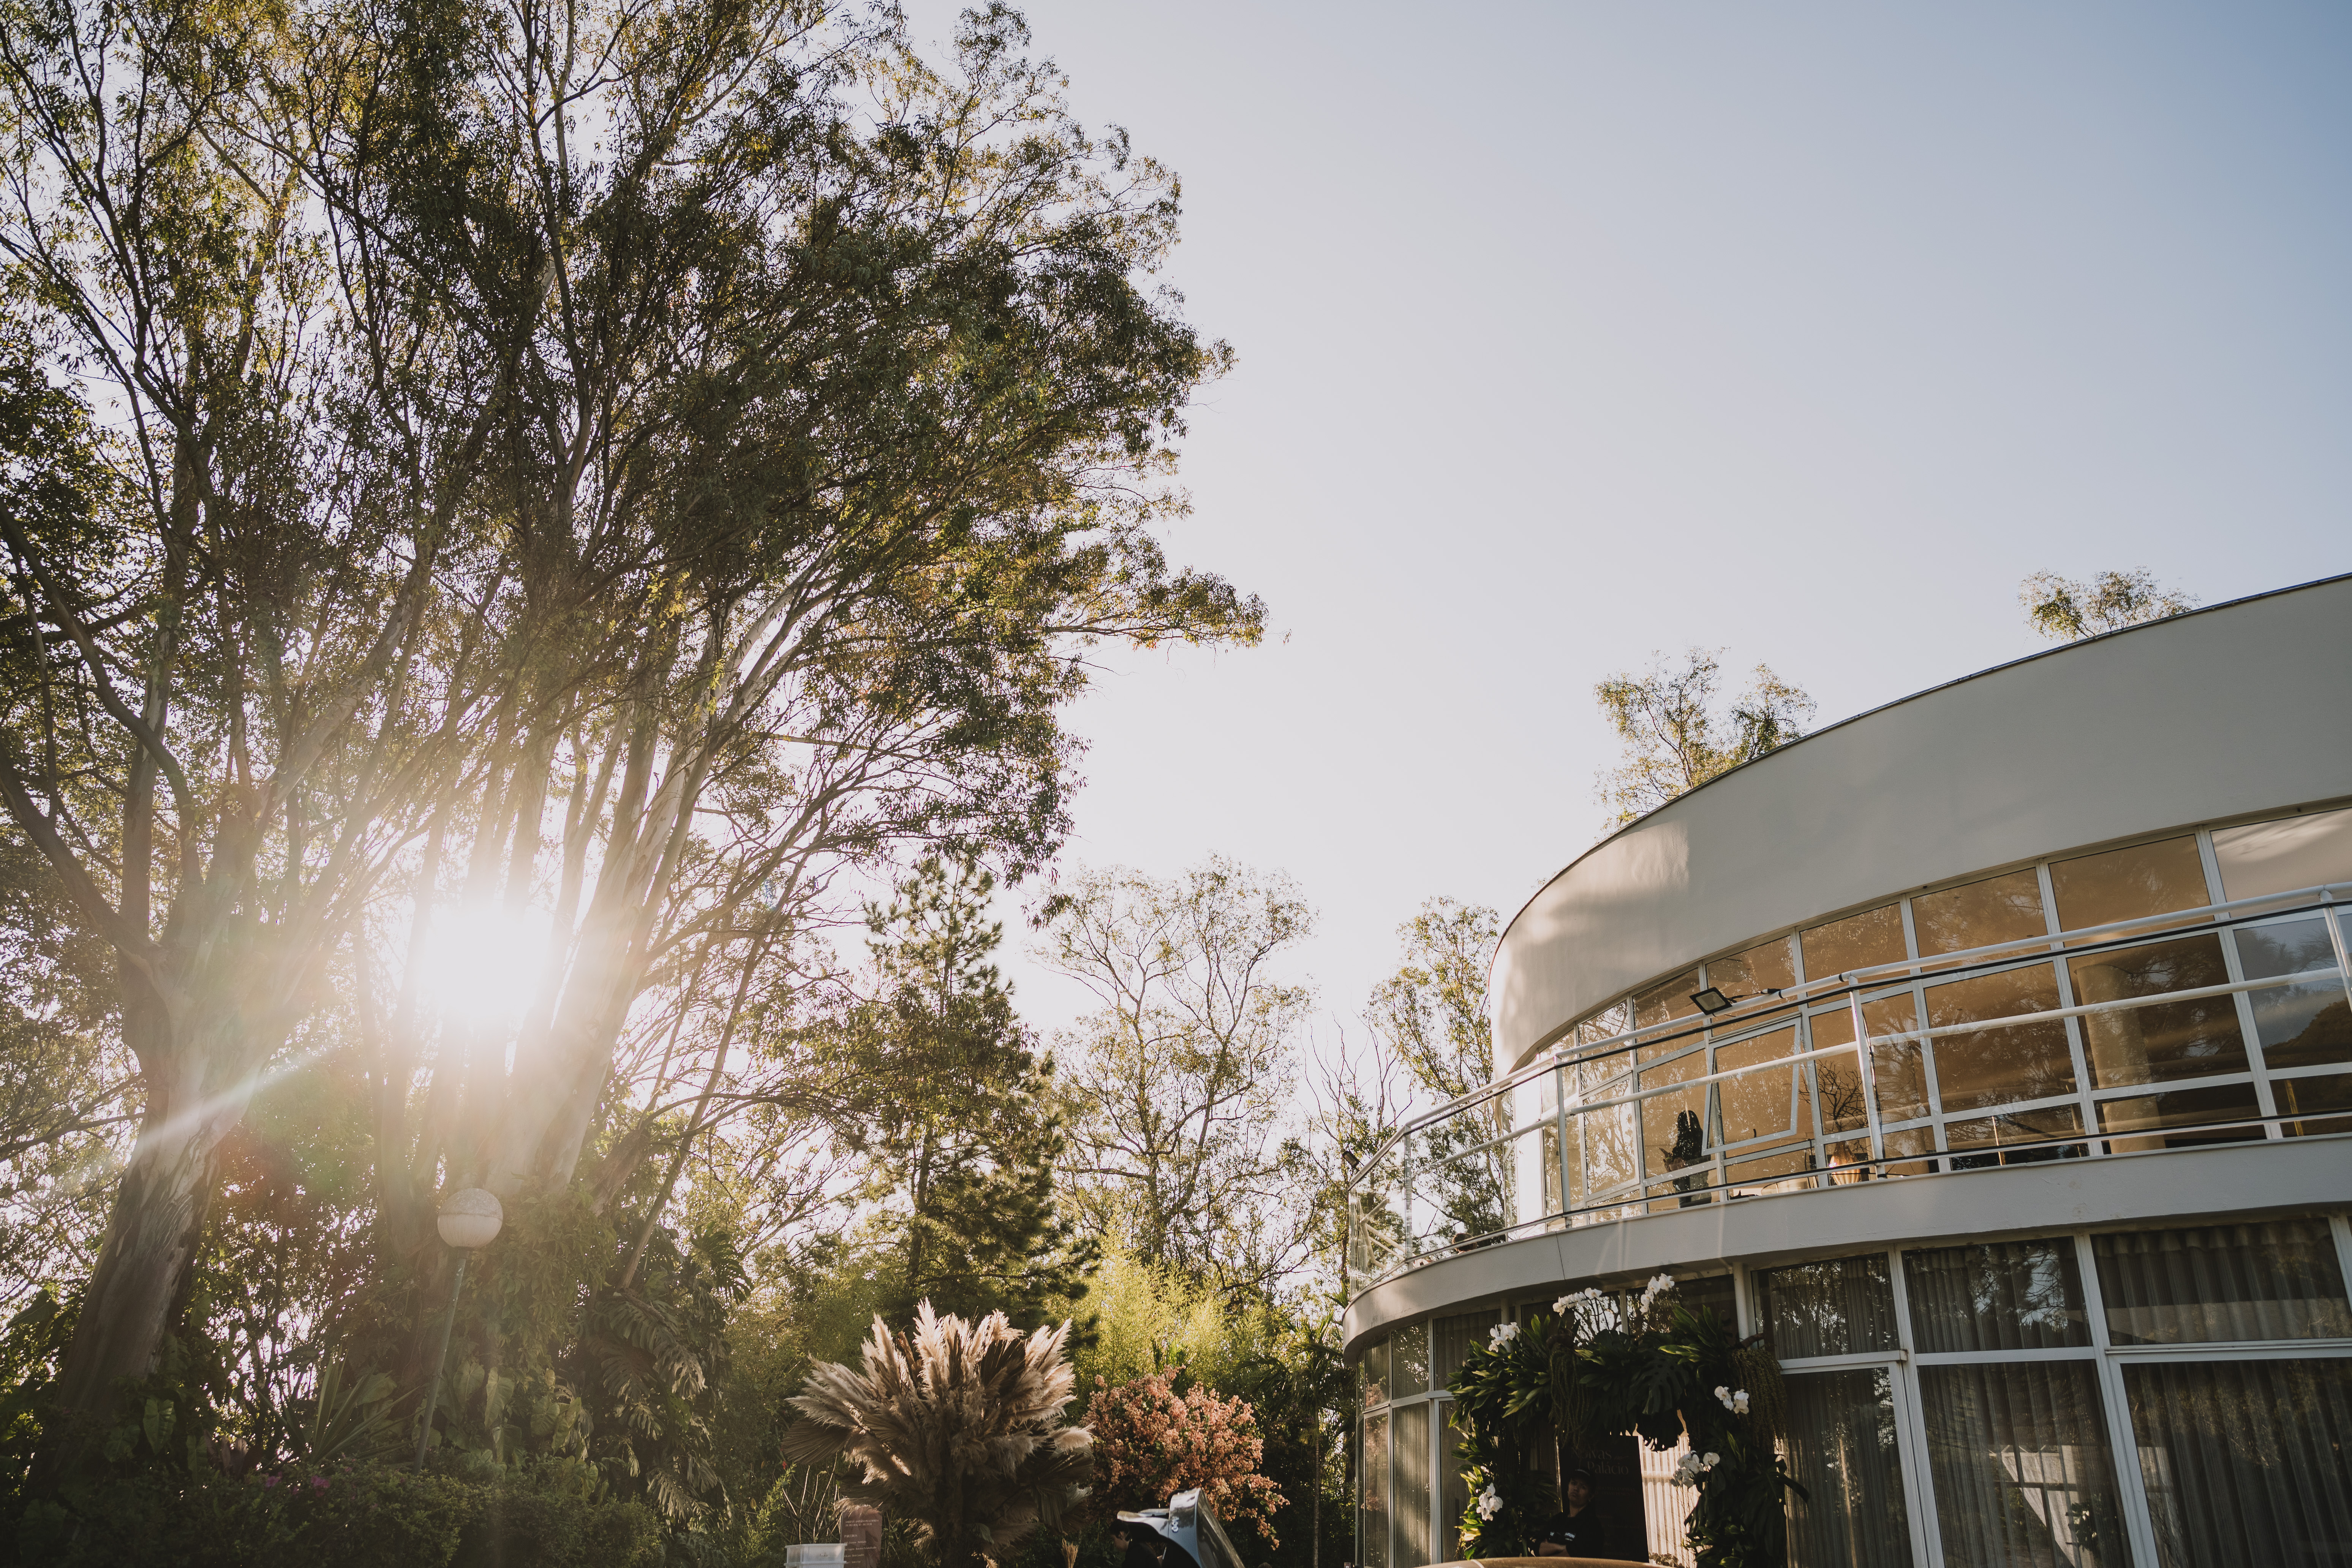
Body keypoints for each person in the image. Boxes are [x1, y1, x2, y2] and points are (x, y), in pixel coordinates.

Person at [1533, 1468, 1618, 1560]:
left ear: (1591, 1496)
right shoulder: (1558, 1520)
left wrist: (1547, 1551)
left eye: (1583, 1487)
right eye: (1574, 1483)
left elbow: (1575, 1556)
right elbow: (1532, 1545)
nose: (1576, 1489)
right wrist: (1561, 1548)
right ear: (1568, 1487)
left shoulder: (1592, 1526)